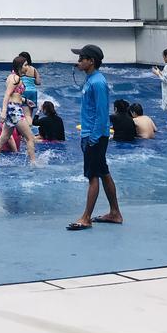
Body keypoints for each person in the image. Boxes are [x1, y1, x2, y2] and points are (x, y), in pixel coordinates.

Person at [68, 44, 122, 230]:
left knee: (93, 176)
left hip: (95, 136)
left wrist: (93, 137)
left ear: (91, 61)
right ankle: (115, 213)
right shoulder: (91, 79)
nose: (78, 61)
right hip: (92, 134)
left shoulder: (98, 82)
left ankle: (86, 217)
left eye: (82, 58)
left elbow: (101, 113)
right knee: (104, 173)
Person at [0, 56, 37, 164]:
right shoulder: (15, 78)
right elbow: (7, 95)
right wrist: (3, 111)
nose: (27, 67)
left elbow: (15, 95)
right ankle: (33, 162)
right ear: (20, 66)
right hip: (14, 110)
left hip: (13, 109)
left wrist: (25, 101)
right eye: (25, 65)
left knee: (4, 137)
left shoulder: (13, 77)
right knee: (30, 138)